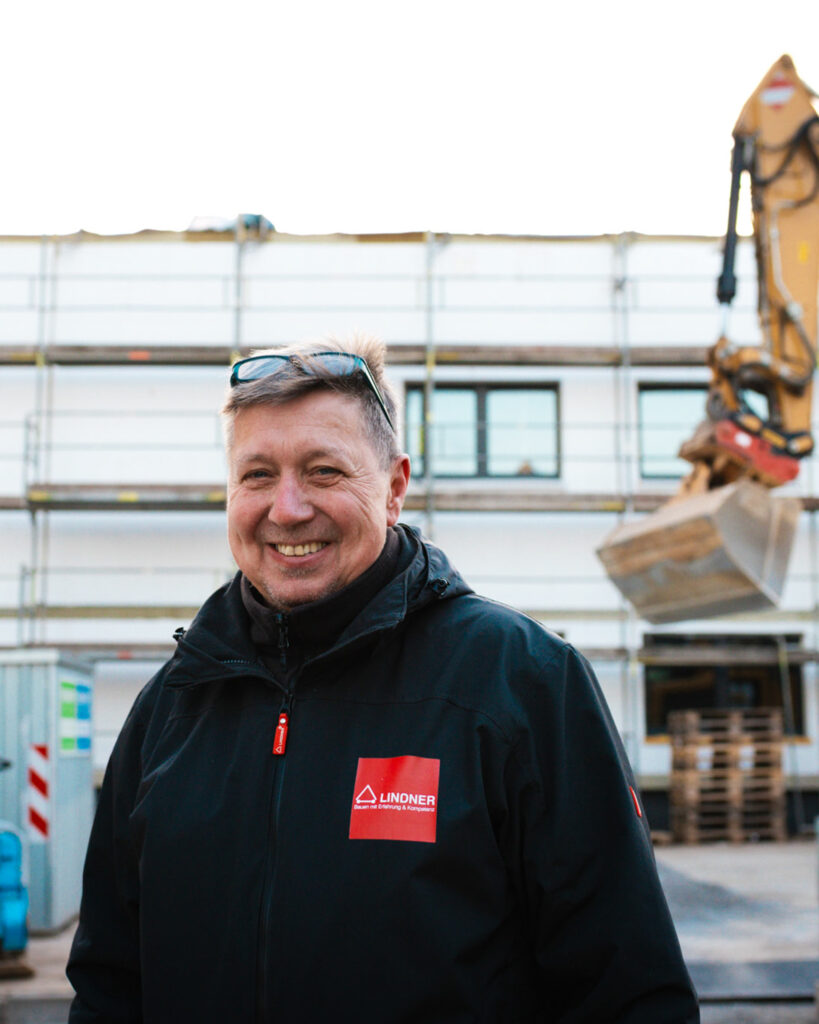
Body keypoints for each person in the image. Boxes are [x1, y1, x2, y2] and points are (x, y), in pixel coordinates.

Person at [67, 334, 699, 1023]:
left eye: (323, 471)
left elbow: (628, 992)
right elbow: (108, 987)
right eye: (255, 475)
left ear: (394, 487)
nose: (285, 508)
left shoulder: (521, 684)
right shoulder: (171, 707)